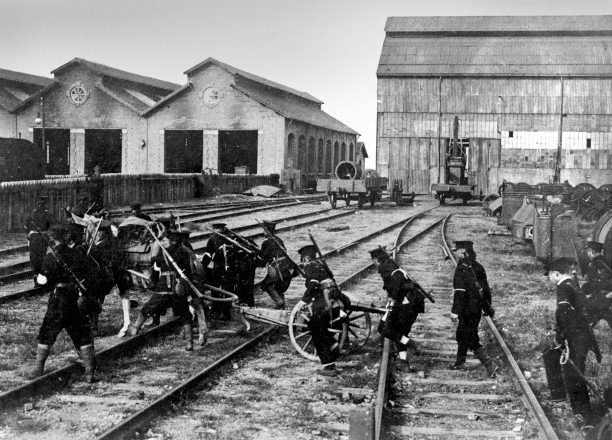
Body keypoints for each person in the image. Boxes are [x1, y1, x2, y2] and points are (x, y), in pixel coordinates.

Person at [26, 224, 95, 383]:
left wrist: (40, 277)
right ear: (65, 237)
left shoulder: (50, 256)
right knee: (81, 334)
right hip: (74, 299)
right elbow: (86, 274)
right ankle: (90, 372)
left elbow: (43, 281)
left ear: (52, 238)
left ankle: (38, 369)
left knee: (47, 332)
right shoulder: (76, 253)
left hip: (57, 300)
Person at [547, 257, 601, 427]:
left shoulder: (563, 287)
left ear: (556, 273)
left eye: (549, 275)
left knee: (574, 376)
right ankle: (571, 406)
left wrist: (561, 338)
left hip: (574, 338)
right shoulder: (573, 284)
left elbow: (564, 315)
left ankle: (585, 417)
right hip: (581, 337)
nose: (549, 279)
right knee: (565, 367)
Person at [129, 230, 195, 351]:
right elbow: (189, 272)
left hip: (163, 287)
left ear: (170, 239)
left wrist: (153, 281)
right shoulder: (185, 252)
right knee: (185, 314)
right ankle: (189, 343)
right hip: (178, 288)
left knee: (149, 307)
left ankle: (135, 328)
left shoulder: (164, 251)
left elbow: (156, 264)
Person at [370, 246, 424, 373]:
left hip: (408, 304)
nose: (373, 264)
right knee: (399, 333)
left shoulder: (391, 270)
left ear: (378, 260)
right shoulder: (390, 268)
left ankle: (411, 344)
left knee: (384, 329)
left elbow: (398, 285)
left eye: (373, 261)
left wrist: (392, 300)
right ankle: (404, 362)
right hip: (410, 304)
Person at [449, 240, 498, 376]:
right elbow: (486, 290)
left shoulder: (461, 268)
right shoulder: (478, 267)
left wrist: (454, 312)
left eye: (458, 251)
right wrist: (487, 306)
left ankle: (489, 364)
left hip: (466, 310)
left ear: (464, 252)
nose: (457, 254)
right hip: (475, 309)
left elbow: (459, 293)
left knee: (470, 337)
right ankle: (460, 362)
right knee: (462, 334)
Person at [298, 244, 347, 377]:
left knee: (315, 330)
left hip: (323, 304)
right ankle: (333, 350)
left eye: (302, 260)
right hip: (335, 302)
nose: (303, 263)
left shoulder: (310, 266)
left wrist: (303, 301)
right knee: (321, 330)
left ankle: (329, 367)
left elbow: (313, 284)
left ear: (306, 258)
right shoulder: (322, 265)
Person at [257, 220, 296, 309]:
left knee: (266, 284)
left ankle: (279, 301)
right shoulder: (278, 239)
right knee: (279, 286)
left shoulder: (266, 242)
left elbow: (263, 258)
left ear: (267, 231)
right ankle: (282, 307)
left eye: (264, 230)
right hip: (288, 266)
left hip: (278, 267)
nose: (263, 232)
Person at [25, 196, 55, 286]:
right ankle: (40, 280)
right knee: (42, 258)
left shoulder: (32, 213)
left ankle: (36, 278)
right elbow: (52, 224)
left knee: (34, 259)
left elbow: (26, 226)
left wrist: (30, 232)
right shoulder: (47, 213)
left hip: (33, 237)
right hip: (42, 237)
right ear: (44, 204)